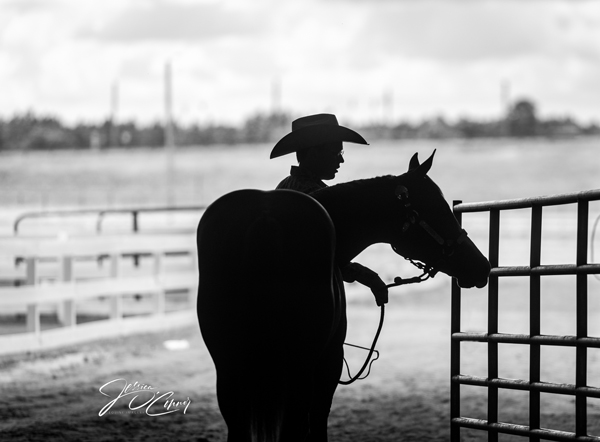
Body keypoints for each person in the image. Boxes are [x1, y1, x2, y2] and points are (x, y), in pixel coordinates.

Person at [270, 113, 388, 306]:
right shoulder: (318, 197)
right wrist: (367, 276)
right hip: (305, 302)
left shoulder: (284, 186)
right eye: (336, 153)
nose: (340, 161)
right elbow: (323, 258)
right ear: (315, 152)